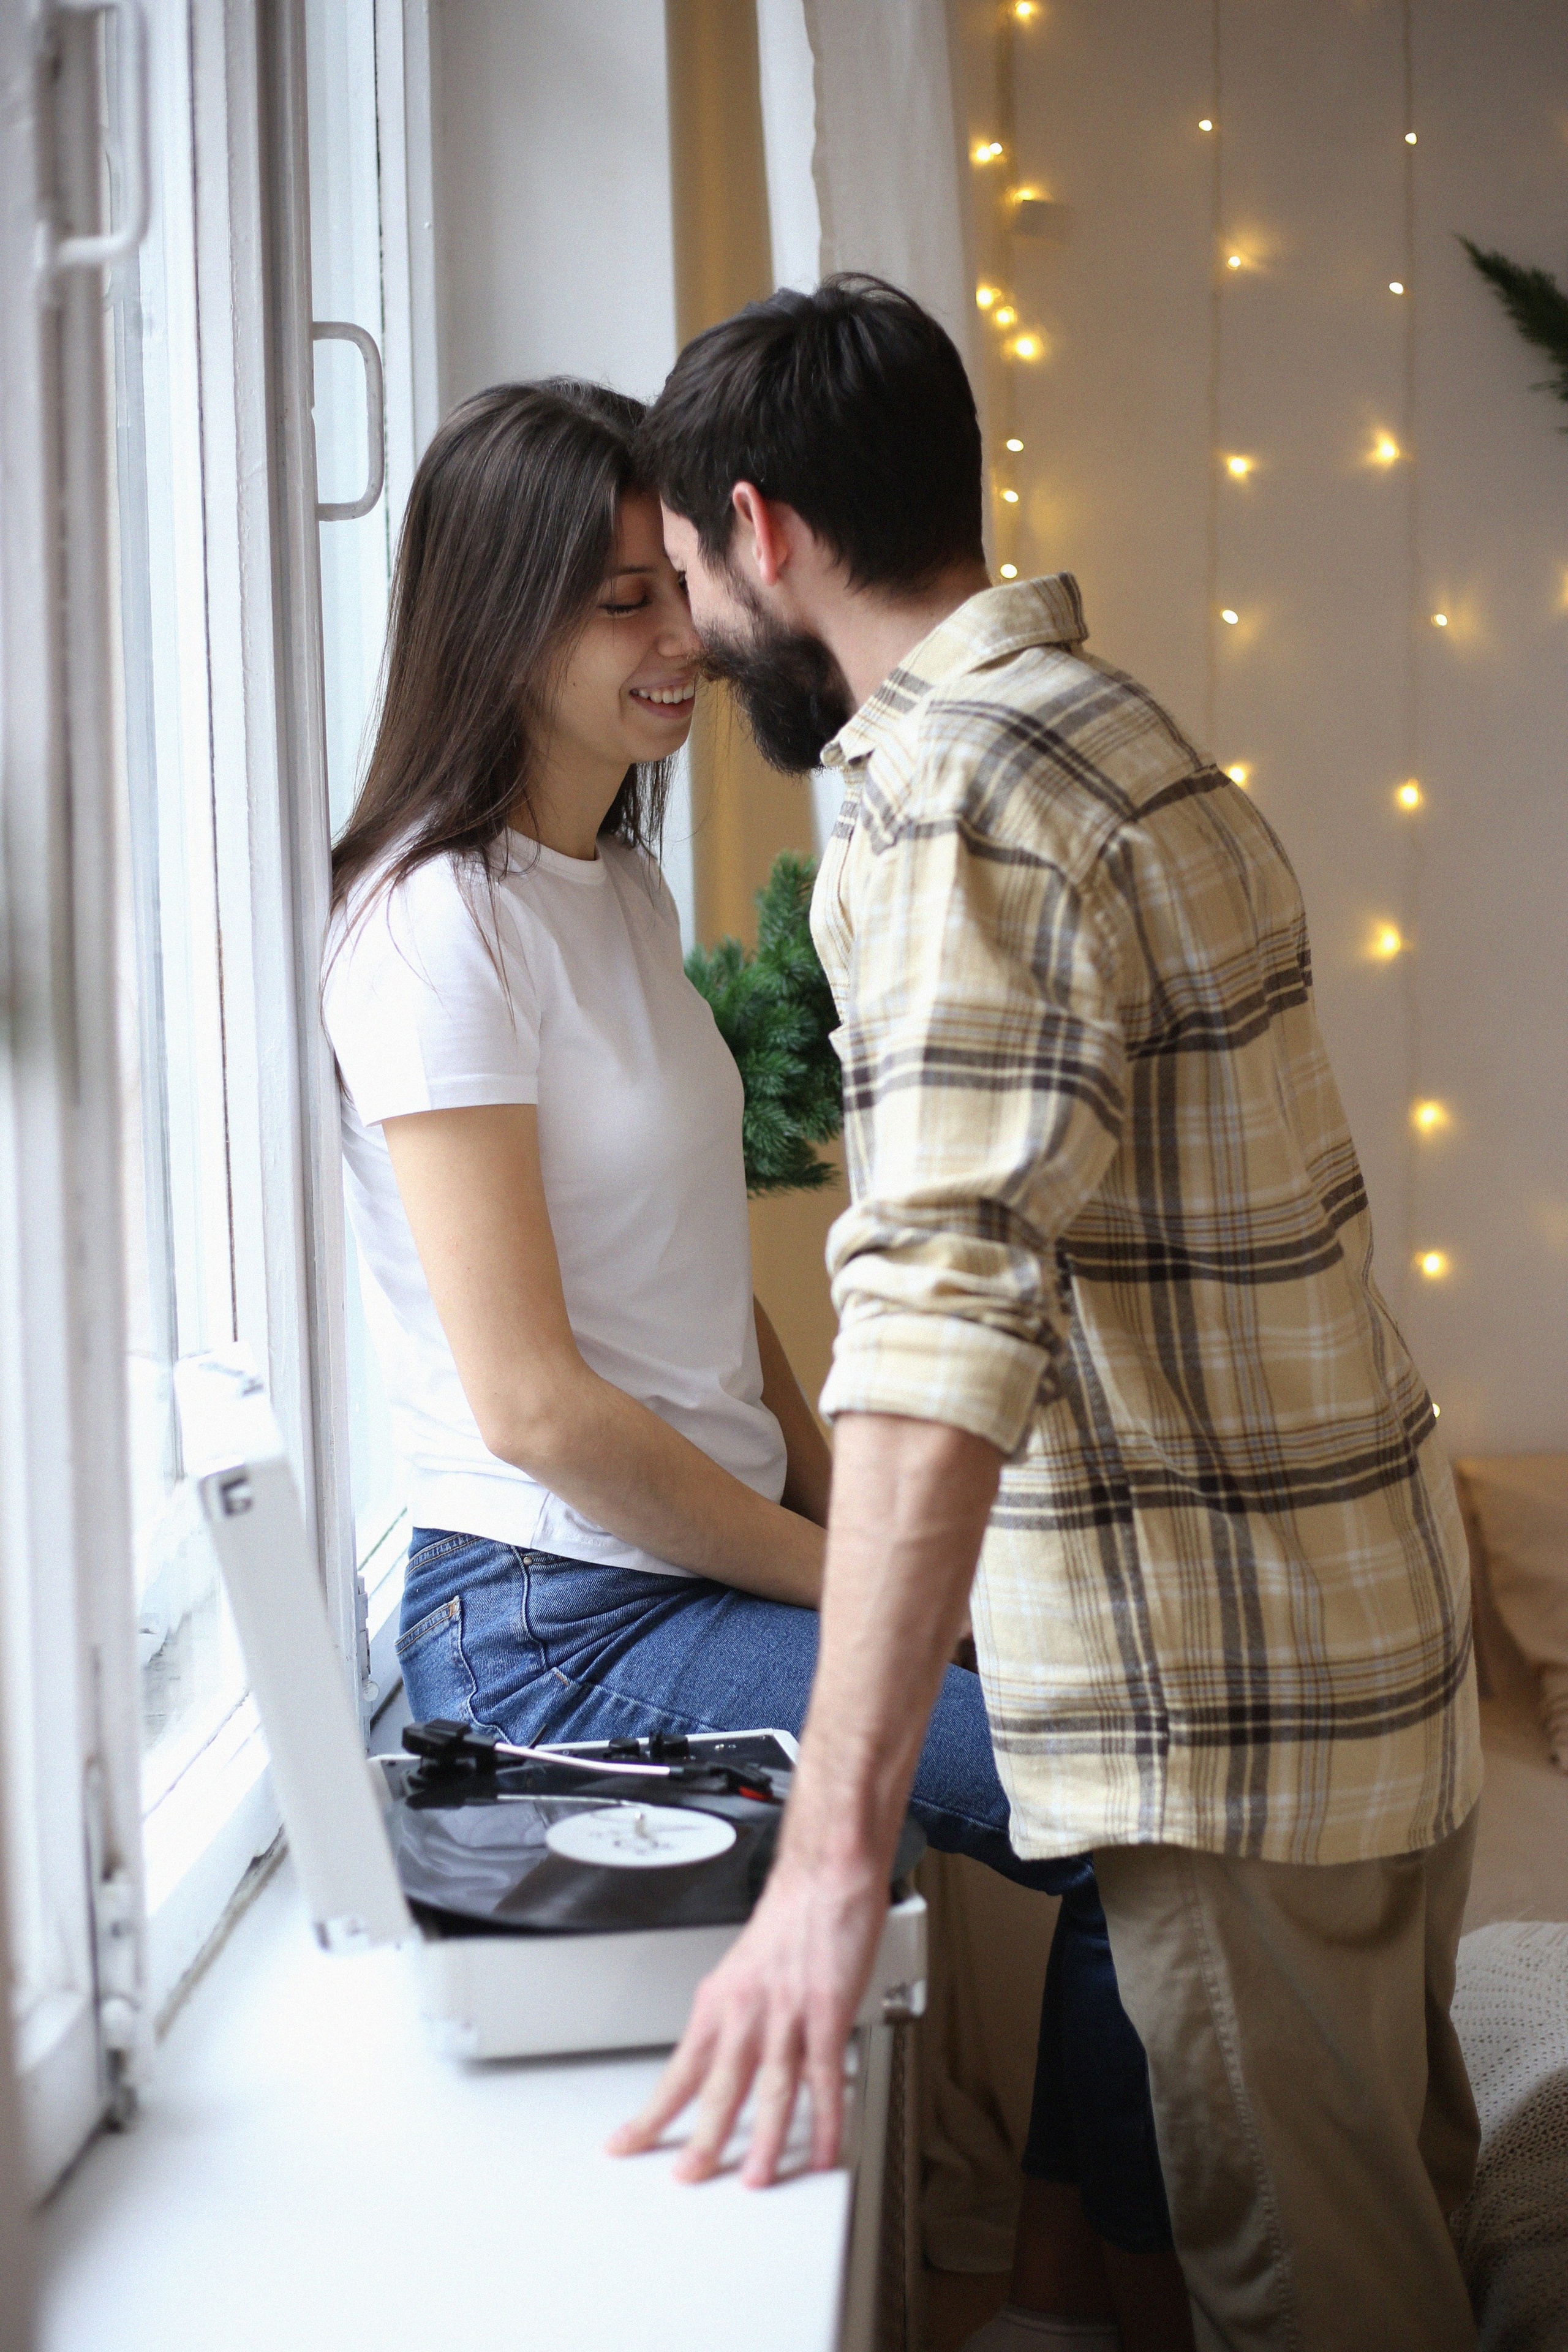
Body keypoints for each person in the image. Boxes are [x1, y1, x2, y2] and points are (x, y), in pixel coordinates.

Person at [613, 277, 1485, 2352]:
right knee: (1410, 2252)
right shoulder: (1110, 723)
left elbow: (936, 1326)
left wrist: (829, 1866)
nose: (691, 635)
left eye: (681, 578)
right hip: (1358, 1642)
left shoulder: (954, 799)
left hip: (1234, 1726)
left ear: (766, 531)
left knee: (1328, 2307)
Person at [321, 380, 1192, 2351]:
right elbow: (538, 1408)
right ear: (497, 619)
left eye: (677, 589)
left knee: (1137, 1784)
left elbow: (709, 1310)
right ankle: (1109, 2309)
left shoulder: (609, 884)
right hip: (547, 1618)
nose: (682, 643)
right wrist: (859, 1579)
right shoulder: (432, 929)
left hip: (685, 1561)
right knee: (1129, 1810)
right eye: (620, 603)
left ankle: (1053, 2299)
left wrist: (846, 1501)